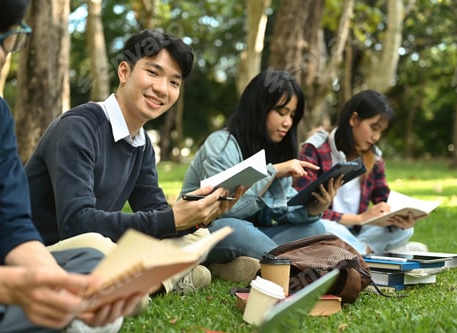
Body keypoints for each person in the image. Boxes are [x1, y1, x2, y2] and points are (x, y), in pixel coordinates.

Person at [25, 29, 245, 297]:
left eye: (174, 82)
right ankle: (156, 283)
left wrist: (197, 214)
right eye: (153, 73)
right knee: (97, 244)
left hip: (98, 249)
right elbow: (76, 224)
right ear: (124, 72)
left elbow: (154, 211)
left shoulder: (141, 144)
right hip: (43, 252)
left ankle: (142, 287)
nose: (162, 89)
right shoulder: (78, 128)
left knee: (196, 237)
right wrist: (171, 220)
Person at [0, 1, 143, 332]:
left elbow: (9, 224)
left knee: (95, 266)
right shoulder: (78, 126)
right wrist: (11, 289)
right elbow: (77, 218)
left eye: (8, 36)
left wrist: (50, 283)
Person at [180, 69, 341, 283]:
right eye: (281, 112)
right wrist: (272, 172)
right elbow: (224, 209)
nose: (288, 123)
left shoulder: (273, 149)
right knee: (238, 229)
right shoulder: (221, 143)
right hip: (206, 230)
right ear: (259, 108)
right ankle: (301, 271)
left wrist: (314, 208)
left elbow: (279, 211)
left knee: (314, 228)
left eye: (292, 115)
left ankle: (227, 266)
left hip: (252, 233)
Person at [294, 89, 425, 255]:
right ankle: (372, 252)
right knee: (320, 227)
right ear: (354, 119)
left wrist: (400, 217)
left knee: (405, 231)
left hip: (357, 232)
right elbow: (304, 209)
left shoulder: (374, 158)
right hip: (326, 227)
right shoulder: (316, 149)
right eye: (373, 128)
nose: (376, 137)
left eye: (380, 131)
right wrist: (361, 218)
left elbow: (383, 199)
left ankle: (356, 252)